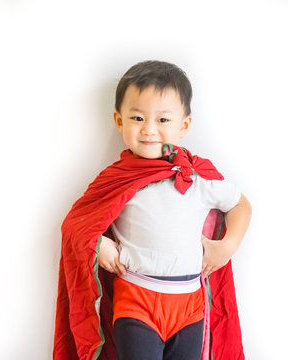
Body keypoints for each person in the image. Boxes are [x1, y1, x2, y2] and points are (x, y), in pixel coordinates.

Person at [53, 60, 252, 360]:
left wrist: (228, 245)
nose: (148, 129)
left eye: (162, 120)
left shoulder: (197, 176)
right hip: (136, 301)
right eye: (137, 117)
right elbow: (76, 225)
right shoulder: (116, 178)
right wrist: (98, 245)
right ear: (119, 121)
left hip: (189, 306)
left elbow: (240, 204)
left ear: (183, 125)